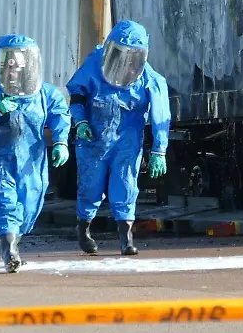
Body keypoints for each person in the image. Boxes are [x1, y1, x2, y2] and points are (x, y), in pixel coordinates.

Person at [0, 34, 70, 273]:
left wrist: (61, 141)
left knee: (29, 205)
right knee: (7, 204)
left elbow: (60, 114)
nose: (12, 71)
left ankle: (14, 244)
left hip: (30, 162)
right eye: (7, 65)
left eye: (18, 65)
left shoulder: (44, 93)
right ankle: (9, 251)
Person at [67, 20, 171, 257]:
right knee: (90, 188)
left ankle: (126, 238)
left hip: (126, 141)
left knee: (125, 186)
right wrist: (81, 121)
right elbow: (77, 95)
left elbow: (161, 116)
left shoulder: (150, 79)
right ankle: (84, 228)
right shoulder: (94, 65)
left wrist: (159, 150)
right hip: (93, 140)